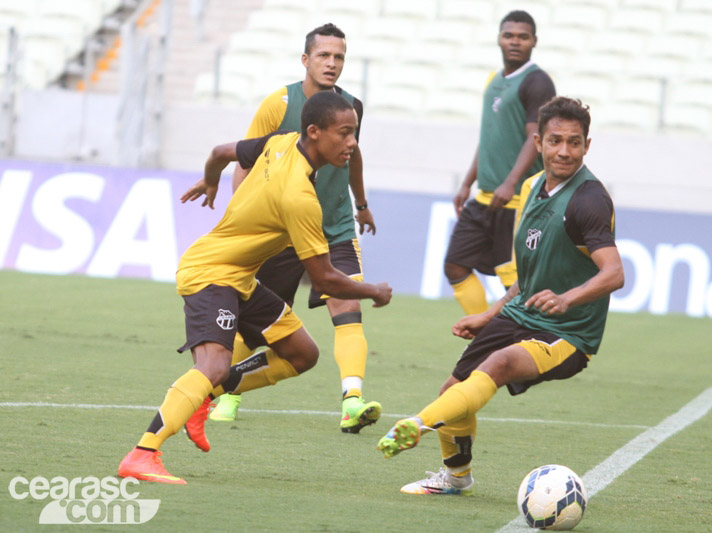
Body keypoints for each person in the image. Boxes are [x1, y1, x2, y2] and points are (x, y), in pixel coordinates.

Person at [117, 91, 392, 485]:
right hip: (210, 272)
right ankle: (143, 452)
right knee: (211, 363)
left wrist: (210, 181)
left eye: (355, 133)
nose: (352, 143)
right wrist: (375, 291)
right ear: (314, 132)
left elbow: (219, 152)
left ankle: (206, 396)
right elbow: (325, 279)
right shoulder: (299, 197)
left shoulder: (280, 142)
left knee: (301, 354)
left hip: (239, 277)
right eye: (345, 133)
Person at [377, 96, 624, 496]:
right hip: (520, 314)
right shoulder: (529, 188)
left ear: (587, 146)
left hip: (569, 333)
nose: (564, 150)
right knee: (453, 392)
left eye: (575, 142)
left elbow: (614, 273)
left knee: (499, 362)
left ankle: (418, 424)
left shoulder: (589, 199)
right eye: (556, 140)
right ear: (538, 142)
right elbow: (527, 277)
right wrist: (490, 314)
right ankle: (457, 477)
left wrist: (567, 300)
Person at [210, 23, 381, 434]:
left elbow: (353, 154)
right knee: (257, 326)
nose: (332, 63)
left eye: (339, 57)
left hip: (335, 226)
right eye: (324, 55)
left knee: (349, 310)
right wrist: (242, 219)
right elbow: (246, 164)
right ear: (306, 60)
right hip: (280, 231)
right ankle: (225, 392)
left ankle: (352, 402)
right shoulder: (279, 103)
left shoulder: (352, 105)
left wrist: (361, 204)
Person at [445, 10, 556, 316]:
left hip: (517, 201)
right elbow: (490, 138)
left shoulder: (538, 82)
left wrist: (510, 183)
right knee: (455, 264)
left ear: (534, 41)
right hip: (484, 197)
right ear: (499, 39)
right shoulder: (494, 80)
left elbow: (536, 138)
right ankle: (482, 336)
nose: (515, 42)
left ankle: (520, 345)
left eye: (523, 36)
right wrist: (468, 182)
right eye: (509, 35)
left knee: (515, 283)